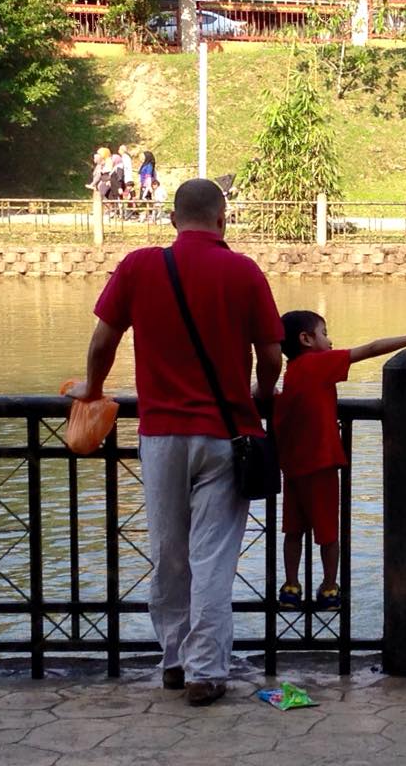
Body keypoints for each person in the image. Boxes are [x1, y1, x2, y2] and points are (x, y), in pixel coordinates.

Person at [65, 179, 283, 706]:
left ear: (172, 220)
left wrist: (91, 389)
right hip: (226, 435)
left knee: (169, 552)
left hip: (160, 434)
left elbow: (103, 340)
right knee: (213, 557)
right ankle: (205, 672)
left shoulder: (139, 266)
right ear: (222, 219)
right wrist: (259, 394)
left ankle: (174, 661)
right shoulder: (244, 271)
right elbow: (272, 355)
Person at [274, 310, 406, 610]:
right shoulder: (318, 363)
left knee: (293, 531)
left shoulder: (292, 371)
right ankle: (329, 587)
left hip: (293, 467)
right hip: (321, 464)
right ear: (306, 339)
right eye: (324, 333)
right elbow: (370, 349)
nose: (330, 340)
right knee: (328, 532)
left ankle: (291, 586)